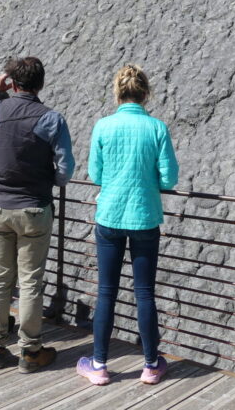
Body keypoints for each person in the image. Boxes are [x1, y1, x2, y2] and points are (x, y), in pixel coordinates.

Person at [0, 56, 75, 372]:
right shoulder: (52, 119)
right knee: (30, 282)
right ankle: (30, 351)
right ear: (41, 83)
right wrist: (46, 179)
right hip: (33, 209)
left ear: (11, 83)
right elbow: (65, 170)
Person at [76, 64, 179, 386]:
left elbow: (96, 174)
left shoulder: (103, 126)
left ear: (117, 92)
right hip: (145, 216)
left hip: (109, 216)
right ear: (146, 94)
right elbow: (170, 178)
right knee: (144, 293)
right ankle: (150, 365)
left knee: (106, 292)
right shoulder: (157, 128)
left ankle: (100, 365)